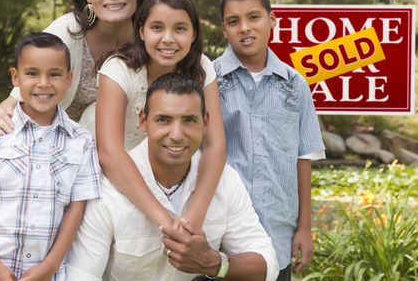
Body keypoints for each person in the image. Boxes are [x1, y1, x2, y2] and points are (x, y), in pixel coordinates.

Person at [66, 73, 279, 281]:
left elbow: (267, 265)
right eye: (163, 120)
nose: (177, 134)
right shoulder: (106, 192)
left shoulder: (225, 181)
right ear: (143, 121)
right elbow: (81, 275)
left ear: (205, 123)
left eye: (189, 120)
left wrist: (213, 263)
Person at [0, 32, 102, 281]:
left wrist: (50, 266)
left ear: (69, 78)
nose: (43, 83)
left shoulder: (81, 141)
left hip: (45, 273)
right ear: (16, 77)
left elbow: (76, 209)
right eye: (32, 73)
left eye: (54, 74)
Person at [213, 0, 326, 280]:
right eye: (234, 22)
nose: (245, 28)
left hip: (279, 229)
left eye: (254, 17)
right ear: (224, 29)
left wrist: (304, 227)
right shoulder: (209, 80)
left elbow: (303, 157)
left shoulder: (294, 85)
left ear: (272, 20)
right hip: (223, 232)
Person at [0, 0, 150, 134]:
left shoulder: (151, 36)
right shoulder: (65, 34)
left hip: (125, 145)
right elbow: (20, 95)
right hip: (56, 147)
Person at [96, 0, 226, 229]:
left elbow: (215, 145)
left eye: (180, 29)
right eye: (157, 28)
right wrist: (165, 220)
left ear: (194, 34)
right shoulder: (118, 70)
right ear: (142, 31)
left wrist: (192, 218)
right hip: (118, 178)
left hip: (174, 174)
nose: (168, 39)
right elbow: (109, 152)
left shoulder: (202, 66)